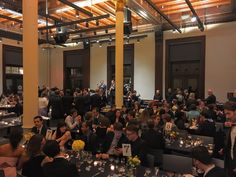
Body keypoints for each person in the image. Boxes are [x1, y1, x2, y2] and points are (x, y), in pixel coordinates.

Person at [223, 101, 236, 177]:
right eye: (225, 114)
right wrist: (225, 149)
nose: (227, 117)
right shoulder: (232, 123)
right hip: (230, 160)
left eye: (228, 113)